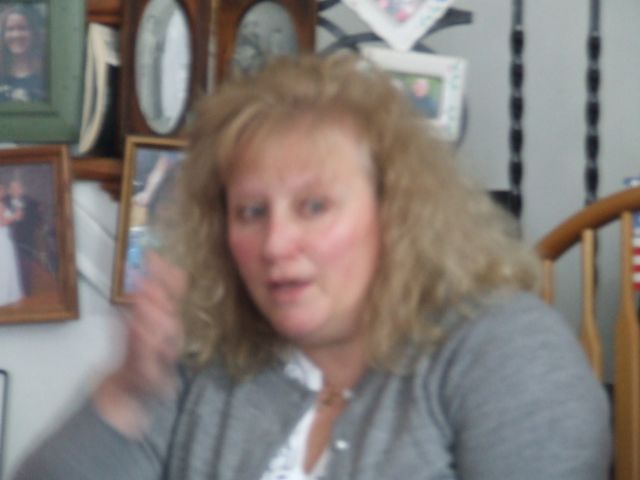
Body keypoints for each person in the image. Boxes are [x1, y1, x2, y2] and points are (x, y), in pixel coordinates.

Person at [12, 53, 610, 479]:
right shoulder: (207, 358)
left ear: (396, 212)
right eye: (251, 212)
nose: (276, 243)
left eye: (314, 206)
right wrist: (127, 392)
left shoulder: (505, 348)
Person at [0, 4, 46, 102]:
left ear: (33, 33)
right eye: (10, 29)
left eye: (22, 28)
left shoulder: (46, 72)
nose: (16, 35)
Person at [0, 182, 24, 307]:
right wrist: (15, 216)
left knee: (8, 265)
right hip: (1, 238)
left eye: (3, 190)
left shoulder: (2, 203)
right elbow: (3, 222)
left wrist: (17, 214)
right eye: (0, 190)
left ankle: (9, 294)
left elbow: (9, 217)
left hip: (5, 236)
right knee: (3, 265)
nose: (2, 192)